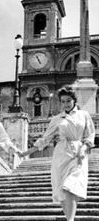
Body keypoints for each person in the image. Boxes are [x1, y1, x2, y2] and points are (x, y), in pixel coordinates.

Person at [21, 85, 95, 221]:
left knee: (71, 186)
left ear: (74, 100)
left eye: (68, 101)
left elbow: (90, 134)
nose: (65, 104)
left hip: (78, 153)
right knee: (62, 189)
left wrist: (84, 148)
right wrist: (27, 152)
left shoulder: (83, 115)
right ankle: (69, 219)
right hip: (61, 154)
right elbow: (46, 138)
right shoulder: (57, 119)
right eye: (62, 101)